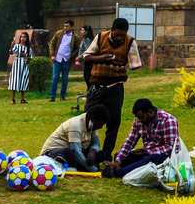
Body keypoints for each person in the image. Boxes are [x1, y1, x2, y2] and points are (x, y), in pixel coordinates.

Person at [82, 17, 134, 151]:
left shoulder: (130, 42)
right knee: (87, 118)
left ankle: (106, 153)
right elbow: (86, 56)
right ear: (111, 30)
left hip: (115, 87)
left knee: (114, 121)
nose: (119, 38)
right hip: (97, 86)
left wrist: (122, 62)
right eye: (117, 34)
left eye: (122, 35)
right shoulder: (100, 37)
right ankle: (85, 150)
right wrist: (101, 58)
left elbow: (136, 64)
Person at [110, 97, 182, 179]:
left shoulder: (168, 120)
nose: (139, 120)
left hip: (165, 157)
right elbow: (129, 142)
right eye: (138, 118)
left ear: (150, 112)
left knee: (151, 158)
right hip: (146, 155)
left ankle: (119, 172)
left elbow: (170, 148)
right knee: (120, 156)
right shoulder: (138, 121)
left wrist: (148, 152)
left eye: (141, 117)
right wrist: (118, 161)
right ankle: (131, 168)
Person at [40, 105, 108, 171]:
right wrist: (95, 170)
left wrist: (93, 151)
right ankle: (79, 167)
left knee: (101, 154)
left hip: (75, 151)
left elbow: (96, 142)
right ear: (92, 119)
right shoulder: (75, 125)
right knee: (69, 153)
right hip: (52, 153)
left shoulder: (92, 125)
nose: (101, 127)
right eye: (100, 124)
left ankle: (78, 166)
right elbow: (77, 153)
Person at [48, 19, 79, 103]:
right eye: (64, 26)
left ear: (72, 27)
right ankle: (52, 96)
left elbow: (77, 49)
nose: (65, 28)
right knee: (55, 77)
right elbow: (52, 43)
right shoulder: (59, 33)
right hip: (57, 58)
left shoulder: (75, 37)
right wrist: (52, 55)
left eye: (67, 26)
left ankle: (62, 95)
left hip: (66, 59)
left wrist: (71, 56)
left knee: (64, 78)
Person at [7, 27, 33, 104]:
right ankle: (13, 99)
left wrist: (25, 55)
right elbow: (11, 52)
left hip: (24, 65)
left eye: (24, 37)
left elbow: (30, 58)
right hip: (17, 64)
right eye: (21, 37)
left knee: (23, 81)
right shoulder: (17, 46)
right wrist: (12, 44)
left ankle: (22, 99)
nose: (22, 39)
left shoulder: (28, 49)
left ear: (27, 38)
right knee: (15, 80)